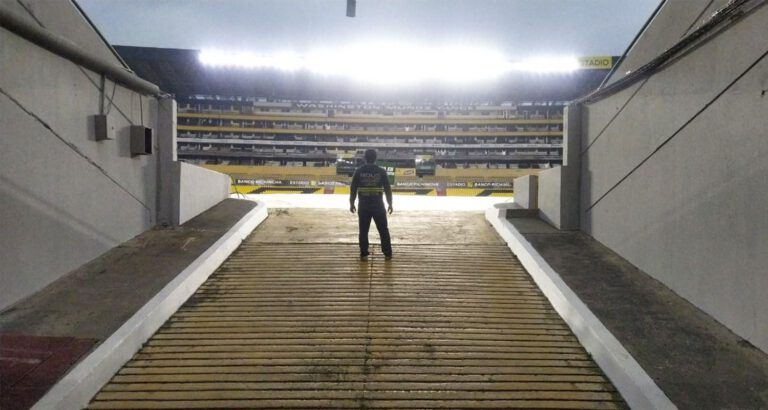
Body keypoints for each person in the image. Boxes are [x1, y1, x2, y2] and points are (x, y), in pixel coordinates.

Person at [350, 149, 393, 260]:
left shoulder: (358, 171)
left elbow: (353, 188)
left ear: (365, 158)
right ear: (375, 158)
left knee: (363, 230)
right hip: (378, 205)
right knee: (383, 229)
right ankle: (387, 253)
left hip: (363, 205)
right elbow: (388, 189)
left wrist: (352, 203)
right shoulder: (381, 171)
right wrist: (390, 204)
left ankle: (364, 253)